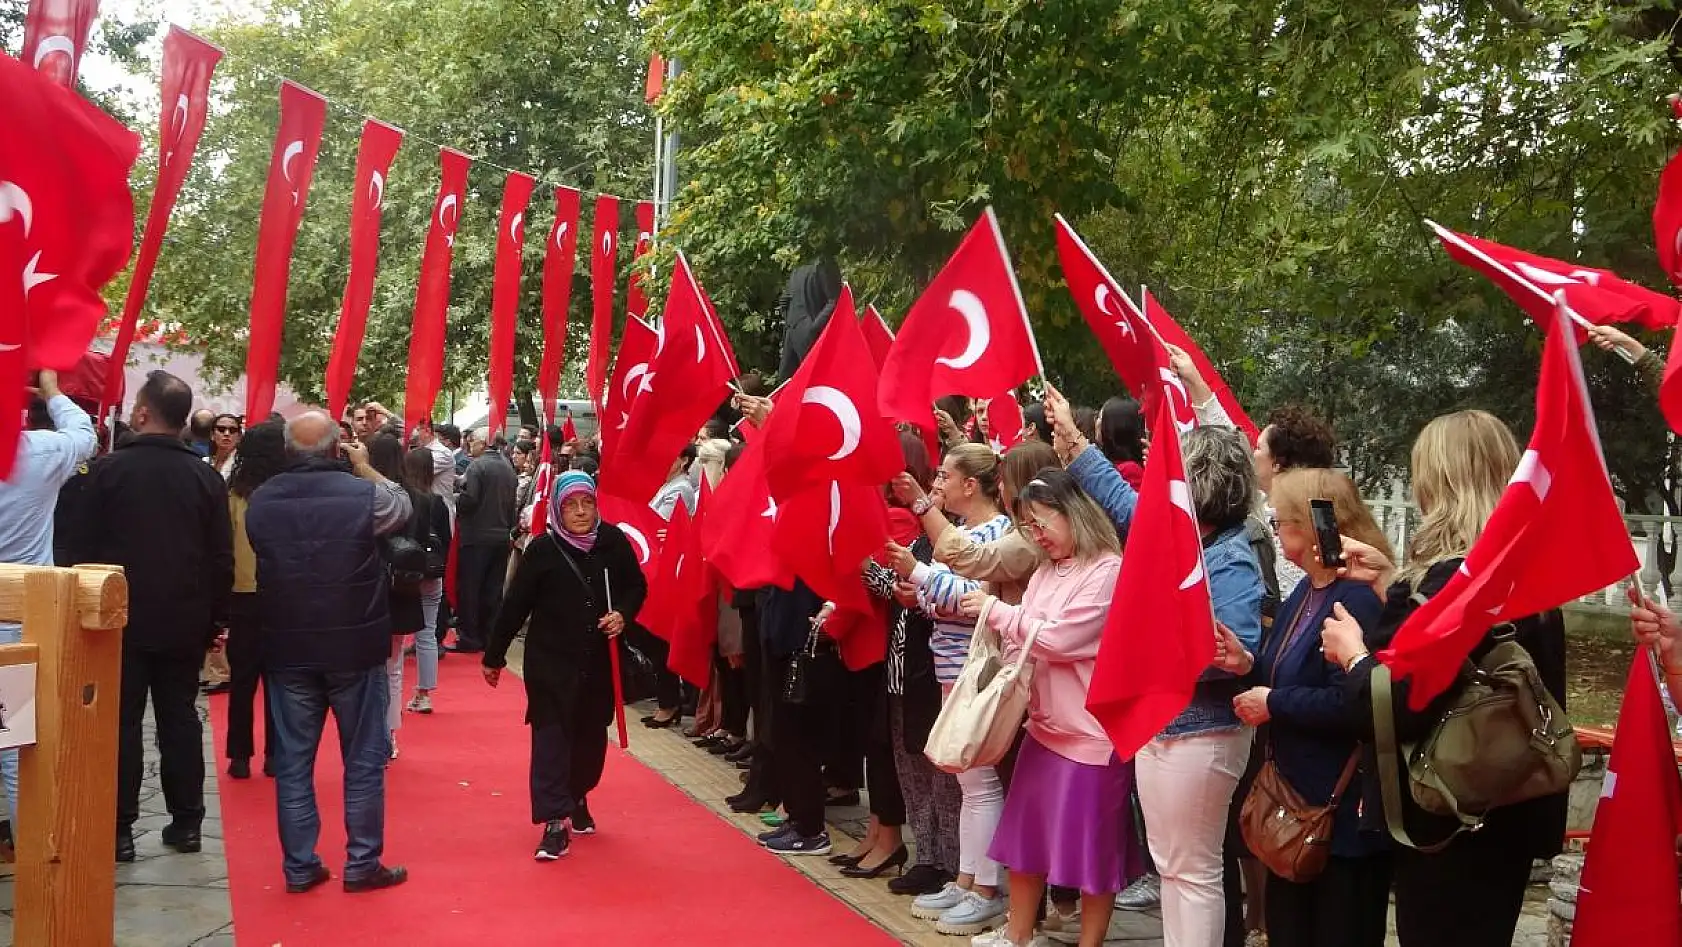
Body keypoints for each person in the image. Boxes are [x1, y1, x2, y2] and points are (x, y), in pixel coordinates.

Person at [1319, 410, 1567, 947]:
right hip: (1513, 800)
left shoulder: (1450, 582)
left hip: (1449, 813)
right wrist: (1392, 581)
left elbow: (1392, 704)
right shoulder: (1522, 571)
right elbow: (1463, 658)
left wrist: (1354, 654)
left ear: (1438, 482)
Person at [1052, 384, 1265, 947]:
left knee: (1190, 871)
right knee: (1174, 867)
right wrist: (1075, 446)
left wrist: (1211, 654)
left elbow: (1236, 647)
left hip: (1200, 731)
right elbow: (1125, 506)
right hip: (1167, 725)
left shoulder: (1231, 556)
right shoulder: (1182, 538)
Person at [964, 469, 1147, 947]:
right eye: (1028, 527)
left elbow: (1062, 638)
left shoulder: (1108, 569)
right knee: (1026, 842)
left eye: (1042, 523)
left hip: (1090, 732)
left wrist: (997, 613)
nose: (1036, 536)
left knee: (1092, 851)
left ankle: (1090, 941)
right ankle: (1017, 933)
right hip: (1045, 726)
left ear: (1075, 515)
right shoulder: (1047, 570)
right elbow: (1024, 638)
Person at [65, 371, 233, 863]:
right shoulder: (204, 478)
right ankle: (187, 823)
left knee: (121, 723)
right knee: (180, 718)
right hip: (184, 617)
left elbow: (79, 549)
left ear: (141, 413)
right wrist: (216, 619)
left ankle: (118, 829)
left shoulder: (106, 472)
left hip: (117, 617)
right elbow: (220, 557)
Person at [244, 411, 411, 894]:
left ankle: (299, 865)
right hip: (353, 646)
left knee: (295, 762)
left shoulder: (261, 502)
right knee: (362, 759)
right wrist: (366, 467)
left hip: (288, 643)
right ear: (338, 448)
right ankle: (362, 863)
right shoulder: (364, 497)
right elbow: (402, 506)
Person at [1232, 469, 1390, 947]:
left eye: (1283, 520)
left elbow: (1353, 702)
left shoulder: (1358, 597)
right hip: (1295, 798)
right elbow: (1285, 667)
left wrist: (1275, 704)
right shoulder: (1307, 589)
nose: (1276, 530)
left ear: (1312, 523)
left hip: (1338, 811)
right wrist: (1245, 663)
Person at [483, 471, 647, 860]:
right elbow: (515, 604)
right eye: (571, 504)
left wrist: (623, 613)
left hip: (598, 664)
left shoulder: (612, 542)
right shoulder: (543, 549)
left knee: (590, 742)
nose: (579, 512)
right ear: (557, 506)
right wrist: (494, 654)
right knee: (551, 738)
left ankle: (577, 794)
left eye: (586, 503)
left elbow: (636, 586)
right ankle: (554, 821)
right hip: (551, 663)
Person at [903, 444, 1012, 936]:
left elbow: (962, 595)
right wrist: (925, 587)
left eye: (945, 475)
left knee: (980, 781)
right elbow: (937, 599)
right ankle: (969, 878)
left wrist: (918, 575)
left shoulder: (995, 534)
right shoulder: (969, 532)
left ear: (972, 485)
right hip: (954, 667)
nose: (938, 483)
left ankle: (986, 887)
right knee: (968, 779)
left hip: (976, 669)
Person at [0, 370, 97, 821]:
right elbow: (83, 434)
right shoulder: (38, 453)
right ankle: (31, 877)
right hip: (18, 628)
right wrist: (53, 389)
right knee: (16, 752)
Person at [224, 421, 287, 780]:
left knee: (242, 678)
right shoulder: (288, 490)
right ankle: (275, 753)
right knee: (278, 678)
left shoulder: (235, 493)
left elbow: (225, 545)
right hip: (281, 593)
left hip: (242, 593)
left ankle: (239, 754)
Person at [366, 433, 424, 760]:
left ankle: (376, 734)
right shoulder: (414, 497)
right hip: (402, 589)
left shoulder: (364, 496)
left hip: (369, 588)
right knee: (393, 668)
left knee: (371, 668)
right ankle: (387, 735)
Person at [450, 427, 517, 654]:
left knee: (470, 588)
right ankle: (489, 636)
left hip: (477, 535)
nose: (469, 447)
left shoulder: (477, 466)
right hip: (500, 536)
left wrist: (455, 498)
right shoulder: (508, 467)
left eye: (471, 442)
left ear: (482, 443)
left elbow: (470, 499)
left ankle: (469, 637)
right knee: (492, 590)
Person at [402, 448, 451, 715]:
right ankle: (424, 693)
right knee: (427, 632)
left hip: (405, 571)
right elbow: (447, 539)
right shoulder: (439, 503)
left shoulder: (404, 499)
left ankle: (392, 691)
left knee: (397, 636)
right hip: (432, 571)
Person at [207, 413, 242, 479]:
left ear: (239, 437)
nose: (227, 434)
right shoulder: (204, 462)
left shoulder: (242, 466)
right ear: (212, 435)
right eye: (221, 429)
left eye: (232, 430)